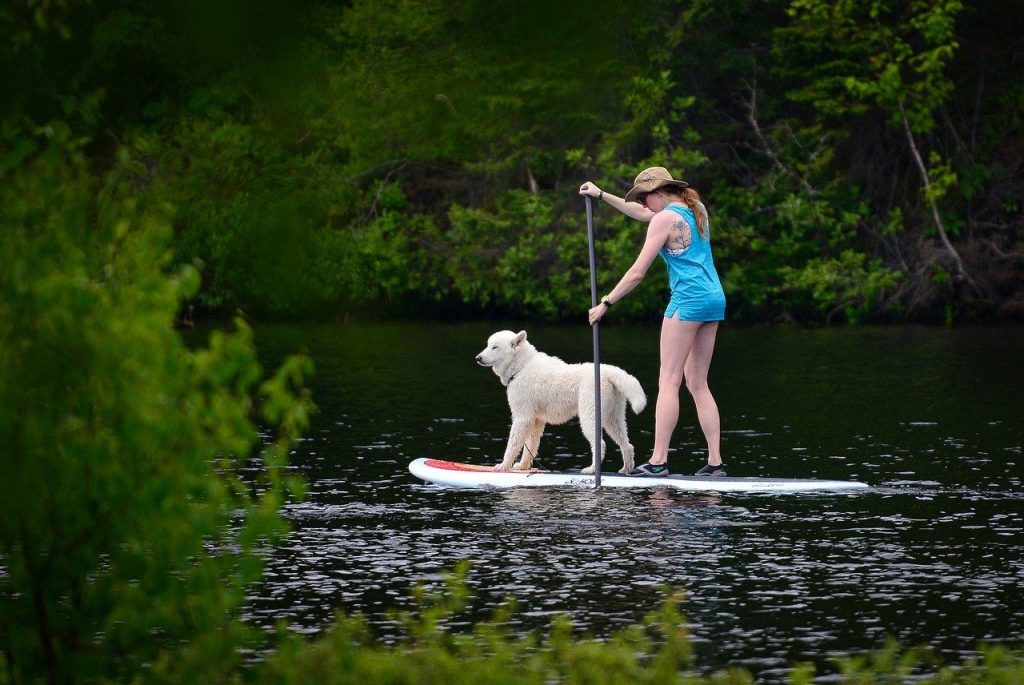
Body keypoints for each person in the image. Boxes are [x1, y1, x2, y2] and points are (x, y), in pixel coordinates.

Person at [579, 167, 726, 477]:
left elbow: (636, 272)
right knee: (698, 384)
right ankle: (716, 463)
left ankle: (658, 462)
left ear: (659, 193)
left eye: (646, 197)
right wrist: (602, 195)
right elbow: (640, 212)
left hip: (686, 302)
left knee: (668, 381)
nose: (644, 204)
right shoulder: (696, 208)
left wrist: (606, 302)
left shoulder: (662, 219)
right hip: (714, 299)